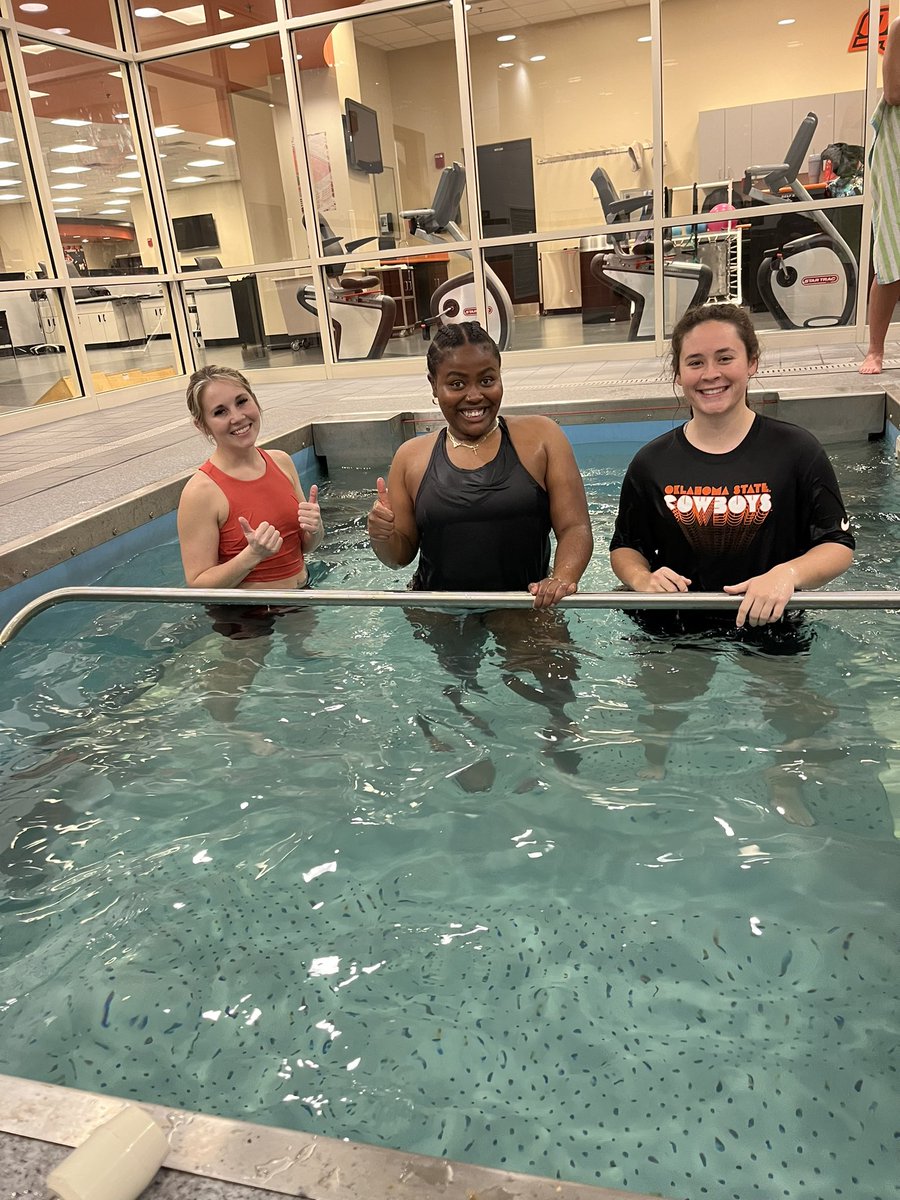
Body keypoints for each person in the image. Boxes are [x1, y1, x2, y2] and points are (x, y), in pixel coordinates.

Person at [610, 303, 855, 823]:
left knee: (794, 713)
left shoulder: (795, 450)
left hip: (766, 615)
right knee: (662, 705)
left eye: (725, 358)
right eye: (695, 362)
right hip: (676, 620)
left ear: (752, 363)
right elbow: (624, 546)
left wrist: (787, 574)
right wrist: (640, 578)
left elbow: (836, 545)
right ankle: (655, 767)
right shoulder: (653, 462)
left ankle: (783, 776)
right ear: (678, 374)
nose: (711, 374)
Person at [366, 321, 593, 781]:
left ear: (501, 377)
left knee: (554, 700)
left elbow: (575, 526)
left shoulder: (541, 438)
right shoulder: (411, 458)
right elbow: (400, 556)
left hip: (524, 602)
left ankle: (556, 760)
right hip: (442, 607)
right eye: (456, 383)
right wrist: (381, 534)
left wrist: (563, 577)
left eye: (487, 380)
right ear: (433, 388)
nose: (474, 395)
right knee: (455, 703)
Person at [177, 365, 323, 721]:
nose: (237, 417)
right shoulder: (201, 492)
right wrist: (251, 556)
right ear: (202, 425)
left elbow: (303, 548)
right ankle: (231, 733)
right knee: (228, 698)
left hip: (300, 595)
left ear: (255, 401)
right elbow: (197, 585)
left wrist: (315, 529)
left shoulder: (282, 463)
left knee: (312, 668)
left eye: (242, 402)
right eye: (220, 412)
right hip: (246, 615)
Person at [860, 14, 900, 375]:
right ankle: (875, 350)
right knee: (890, 259)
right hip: (896, 157)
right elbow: (893, 92)